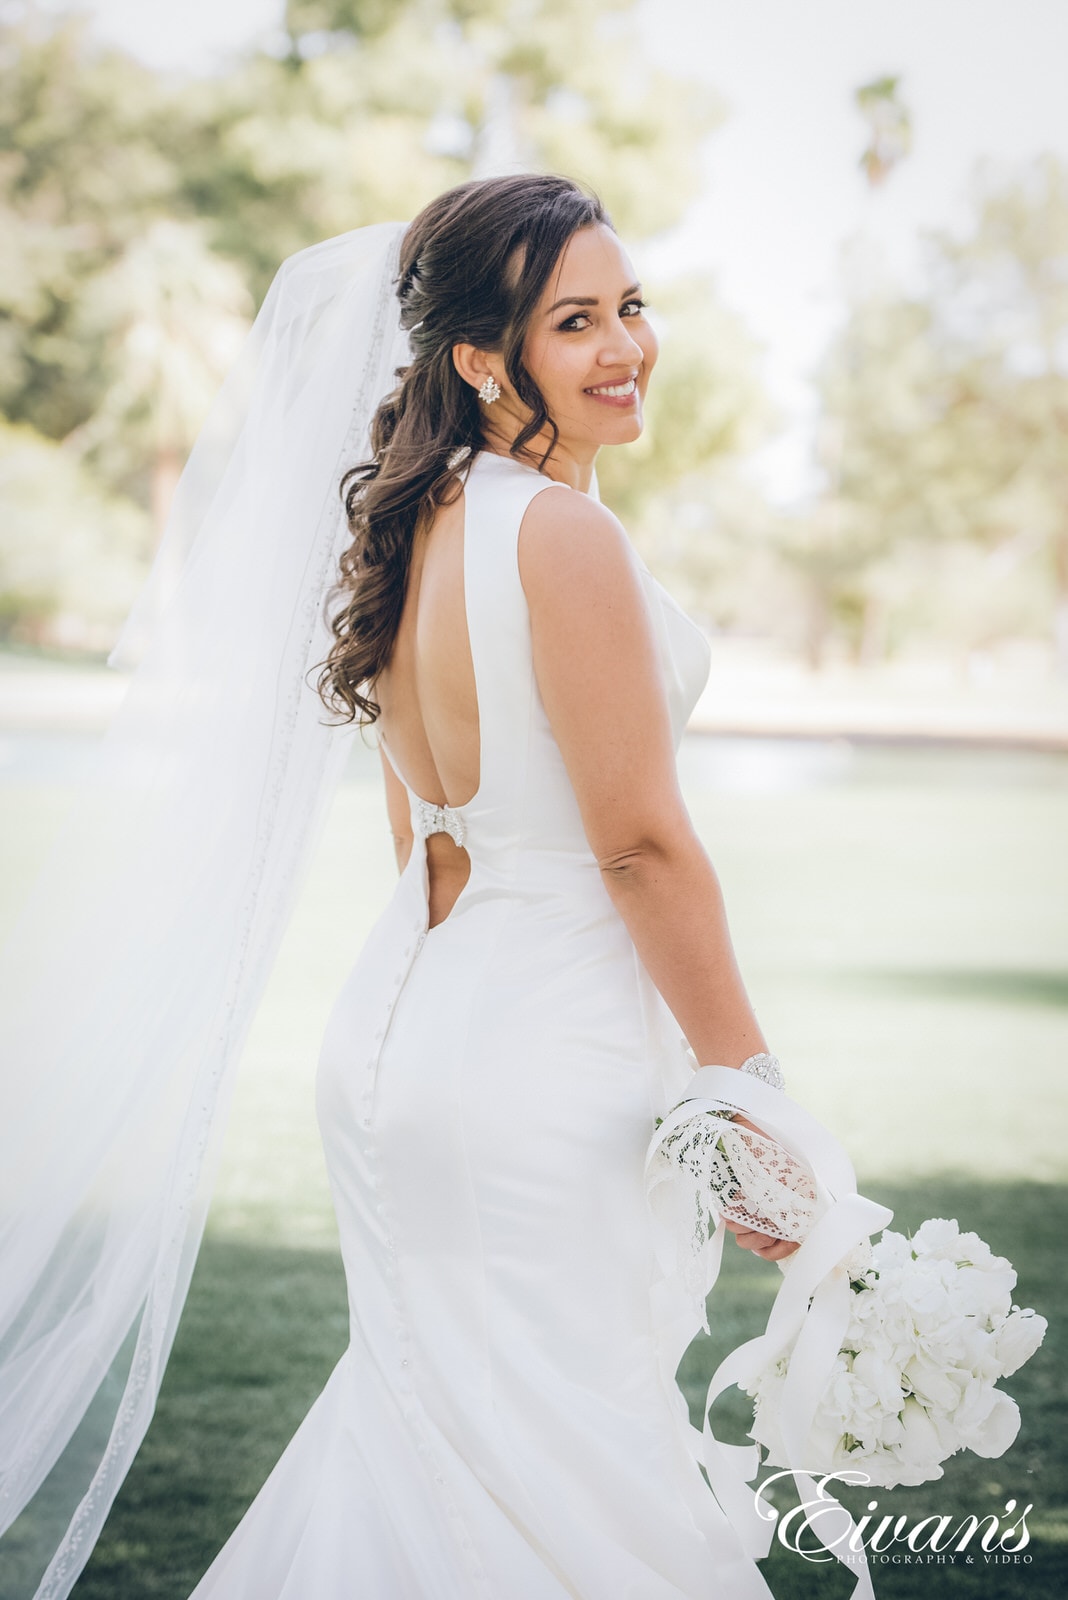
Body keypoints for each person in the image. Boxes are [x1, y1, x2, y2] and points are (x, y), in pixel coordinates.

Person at [0, 173, 800, 1600]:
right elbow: (641, 843)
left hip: (405, 1030)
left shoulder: (408, 520)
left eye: (631, 306)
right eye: (576, 321)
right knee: (574, 1463)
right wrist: (753, 1089)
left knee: (437, 1436)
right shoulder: (562, 539)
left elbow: (425, 831)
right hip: (541, 1052)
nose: (626, 346)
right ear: (485, 360)